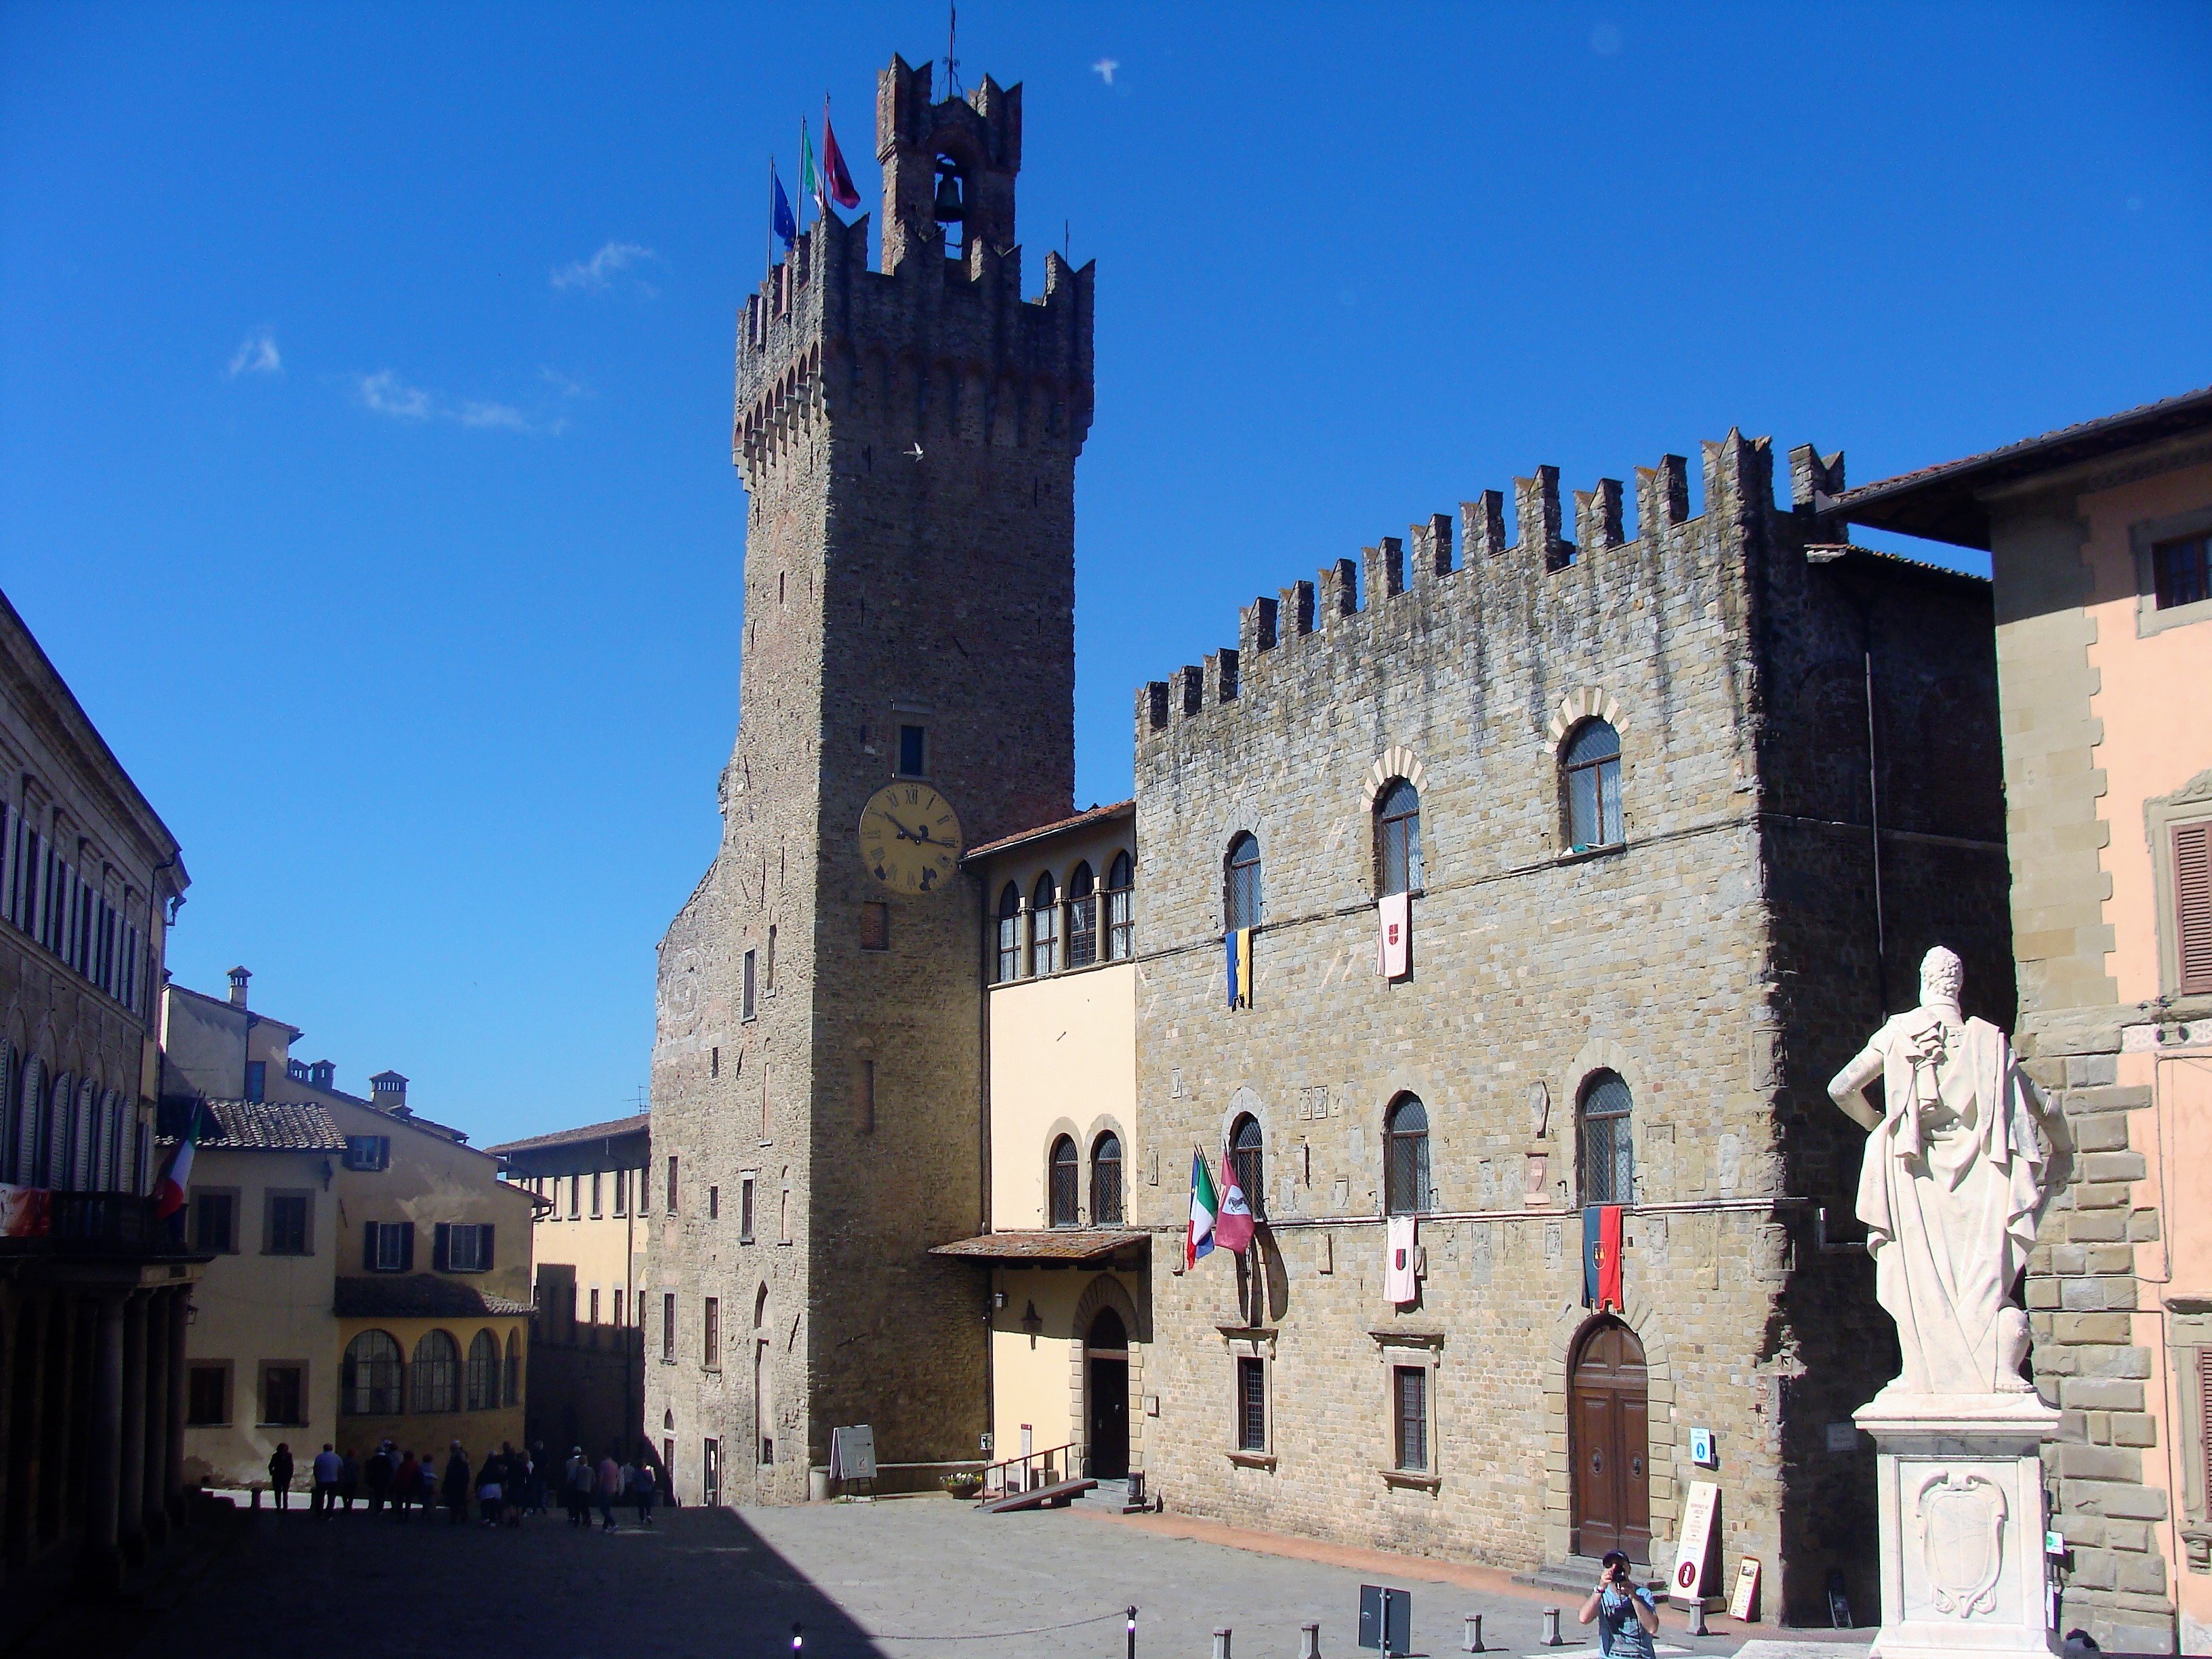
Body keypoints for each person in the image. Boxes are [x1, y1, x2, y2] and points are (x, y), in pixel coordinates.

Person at [1578, 1551, 1660, 1659]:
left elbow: (1652, 1628)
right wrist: (1600, 1588)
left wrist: (1633, 1597)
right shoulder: (1602, 1595)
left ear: (1629, 1569)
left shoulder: (1643, 1594)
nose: (1614, 1569)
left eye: (1619, 1566)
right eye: (1609, 1566)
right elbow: (1584, 1619)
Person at [443, 1441, 471, 1524]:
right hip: (461, 1482)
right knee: (461, 1499)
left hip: (455, 1482)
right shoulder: (462, 1457)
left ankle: (457, 1516)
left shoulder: (456, 1457)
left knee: (455, 1499)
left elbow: (450, 1470)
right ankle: (462, 1515)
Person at [310, 1443, 342, 1516]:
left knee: (320, 1498)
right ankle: (329, 1513)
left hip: (321, 1480)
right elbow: (341, 1469)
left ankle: (320, 1513)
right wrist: (339, 1479)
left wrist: (317, 1478)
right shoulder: (336, 1457)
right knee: (331, 1498)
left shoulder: (319, 1457)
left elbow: (315, 1468)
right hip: (333, 1480)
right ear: (332, 1449)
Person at [564, 1448, 592, 1528]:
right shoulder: (590, 1469)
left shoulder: (571, 1463)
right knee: (585, 1505)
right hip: (587, 1488)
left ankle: (575, 1518)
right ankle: (587, 1519)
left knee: (576, 1504)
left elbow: (572, 1477)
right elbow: (593, 1480)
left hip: (577, 1488)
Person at [595, 1450, 622, 1530]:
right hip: (613, 1488)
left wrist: (599, 1487)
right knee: (607, 1507)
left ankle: (613, 1524)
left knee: (603, 1508)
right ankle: (605, 1527)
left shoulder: (603, 1464)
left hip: (605, 1488)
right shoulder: (615, 1464)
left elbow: (601, 1477)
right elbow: (617, 1477)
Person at [365, 1443, 392, 1515]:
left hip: (376, 1480)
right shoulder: (387, 1459)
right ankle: (381, 1508)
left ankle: (377, 1508)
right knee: (383, 1495)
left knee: (377, 1494)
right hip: (385, 1480)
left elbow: (370, 1470)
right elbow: (390, 1470)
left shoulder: (374, 1459)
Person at [267, 1443, 295, 1512]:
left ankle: (279, 1507)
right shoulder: (288, 1456)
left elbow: (270, 1466)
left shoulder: (276, 1456)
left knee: (278, 1493)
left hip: (278, 1476)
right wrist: (290, 1475)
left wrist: (272, 1473)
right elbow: (291, 1466)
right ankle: (284, 1507)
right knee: (284, 1493)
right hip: (285, 1476)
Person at [630, 1458, 656, 1527]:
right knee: (648, 1504)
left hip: (639, 1491)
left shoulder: (636, 1473)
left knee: (641, 1506)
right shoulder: (648, 1472)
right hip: (648, 1491)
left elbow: (634, 1482)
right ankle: (649, 1515)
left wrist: (634, 1490)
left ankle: (642, 1519)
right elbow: (652, 1482)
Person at [394, 1451, 419, 1520]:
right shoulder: (415, 1465)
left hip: (401, 1485)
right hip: (411, 1486)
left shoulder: (402, 1465)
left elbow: (398, 1475)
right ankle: (406, 1516)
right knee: (408, 1502)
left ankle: (400, 1514)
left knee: (400, 1501)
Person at [339, 1448, 362, 1512]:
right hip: (353, 1480)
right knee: (351, 1494)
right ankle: (349, 1505)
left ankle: (346, 1505)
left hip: (345, 1479)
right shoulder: (355, 1462)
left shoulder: (343, 1461)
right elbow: (358, 1470)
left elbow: (340, 1470)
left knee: (344, 1494)